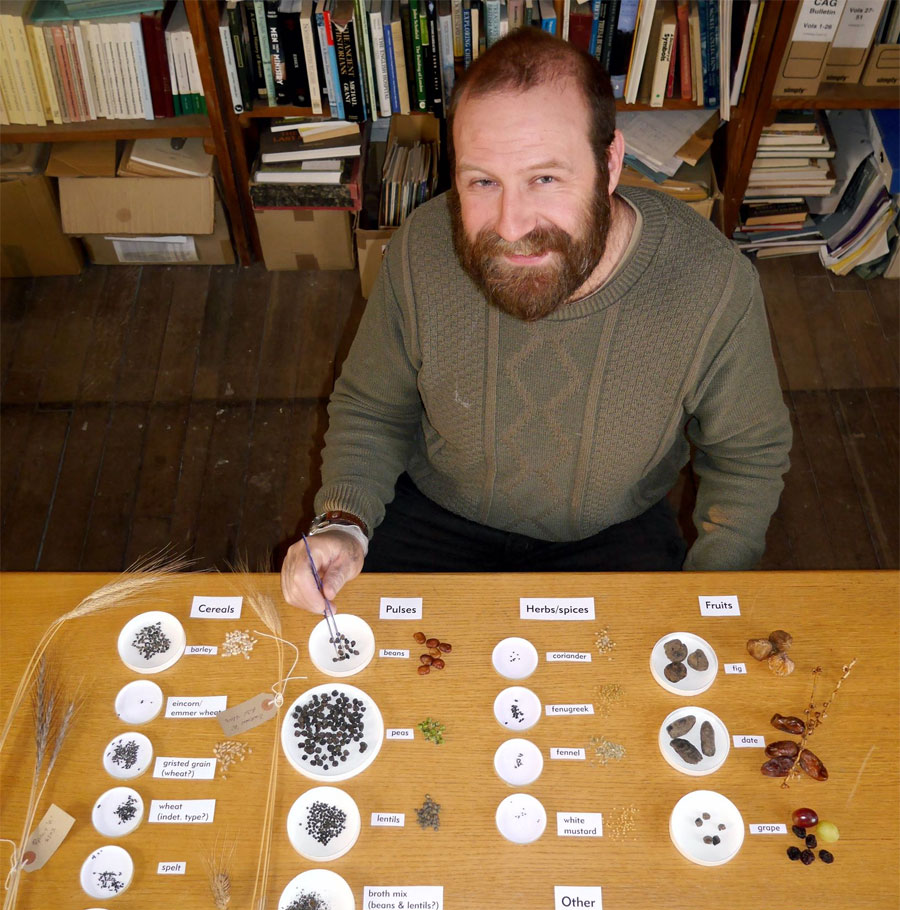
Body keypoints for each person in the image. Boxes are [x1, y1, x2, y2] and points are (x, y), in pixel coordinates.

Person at [281, 28, 791, 613]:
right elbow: (373, 406)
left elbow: (747, 456)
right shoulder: (423, 245)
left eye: (545, 178)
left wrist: (712, 591)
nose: (513, 223)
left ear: (610, 163)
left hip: (613, 536)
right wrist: (343, 521)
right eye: (482, 182)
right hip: (434, 517)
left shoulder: (714, 284)